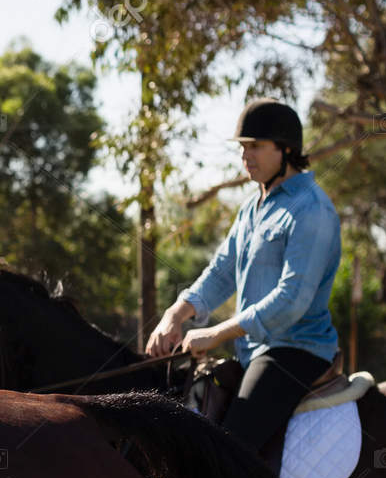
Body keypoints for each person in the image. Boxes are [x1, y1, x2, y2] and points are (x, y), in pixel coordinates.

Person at [145, 98, 341, 457]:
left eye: (256, 147)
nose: (245, 156)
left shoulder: (311, 209)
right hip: (252, 350)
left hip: (295, 352)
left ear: (285, 149)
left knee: (230, 454)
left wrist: (217, 333)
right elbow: (221, 272)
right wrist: (175, 315)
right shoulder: (253, 208)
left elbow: (292, 299)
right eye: (242, 148)